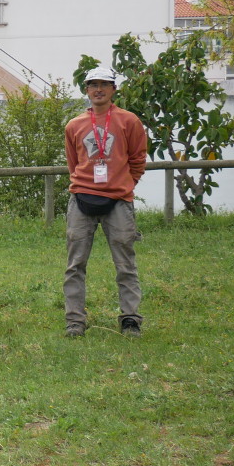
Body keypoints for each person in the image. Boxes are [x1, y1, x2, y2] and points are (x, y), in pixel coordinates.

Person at [63, 66, 147, 338]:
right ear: (86, 89)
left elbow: (137, 159)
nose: (98, 89)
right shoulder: (74, 125)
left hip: (118, 202)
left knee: (125, 264)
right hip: (81, 200)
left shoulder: (129, 121)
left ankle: (130, 319)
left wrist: (123, 185)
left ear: (113, 89)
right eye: (92, 84)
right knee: (75, 264)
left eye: (104, 84)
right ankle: (75, 320)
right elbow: (73, 163)